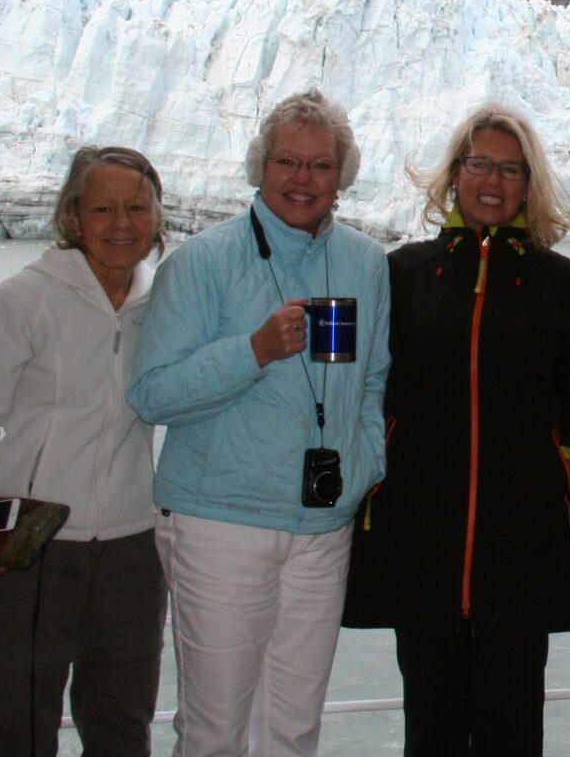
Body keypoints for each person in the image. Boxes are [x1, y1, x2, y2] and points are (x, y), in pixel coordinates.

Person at [128, 89, 390, 757]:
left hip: (321, 527)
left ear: (342, 176)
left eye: (320, 166)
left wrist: (361, 471)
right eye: (286, 162)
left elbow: (372, 381)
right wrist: (252, 352)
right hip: (221, 523)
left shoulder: (363, 263)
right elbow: (153, 394)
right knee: (214, 729)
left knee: (293, 727)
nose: (302, 180)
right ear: (261, 166)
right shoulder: (202, 262)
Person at [342, 103, 570, 756]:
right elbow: (366, 388)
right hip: (421, 536)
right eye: (480, 163)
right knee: (432, 726)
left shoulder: (562, 284)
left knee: (514, 730)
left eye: (510, 169)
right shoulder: (404, 274)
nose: (493, 180)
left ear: (528, 185)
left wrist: (562, 473)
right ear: (455, 175)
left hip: (521, 542)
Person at [0, 146, 167, 757]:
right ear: (73, 217)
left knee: (122, 730)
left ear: (158, 217)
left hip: (133, 548)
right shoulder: (21, 301)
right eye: (103, 207)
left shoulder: (161, 309)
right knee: (16, 730)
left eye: (137, 207)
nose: (122, 223)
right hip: (26, 542)